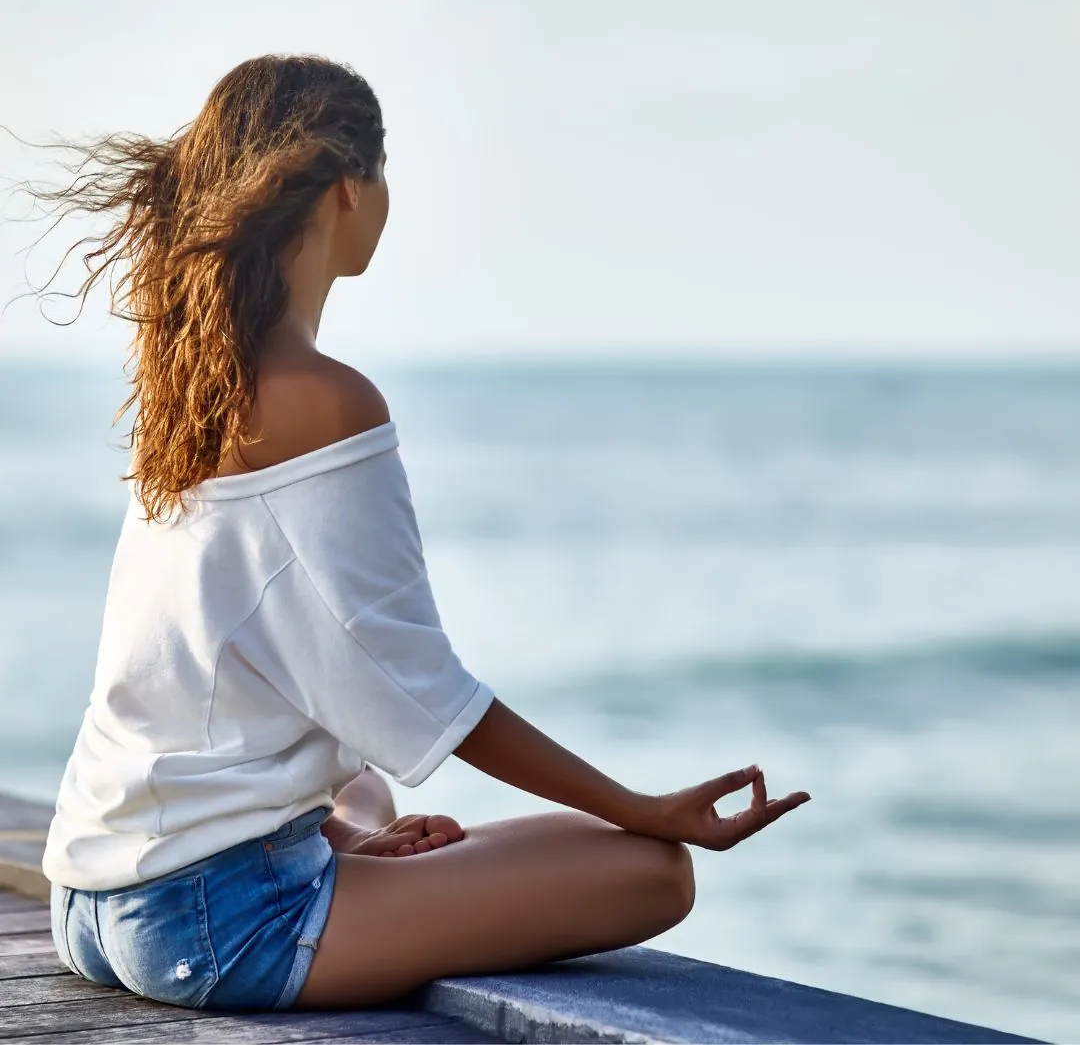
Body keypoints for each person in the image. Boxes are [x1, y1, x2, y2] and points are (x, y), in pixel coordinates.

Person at [14, 54, 809, 1012]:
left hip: (91, 893)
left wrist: (349, 840)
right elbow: (421, 688)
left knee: (366, 799)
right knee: (651, 872)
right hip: (215, 920)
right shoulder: (326, 400)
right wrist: (641, 807)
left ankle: (336, 843)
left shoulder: (189, 395)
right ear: (352, 188)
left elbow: (236, 680)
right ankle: (335, 856)